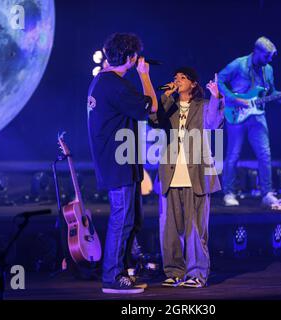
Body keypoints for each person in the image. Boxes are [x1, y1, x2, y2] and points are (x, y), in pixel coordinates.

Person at [87, 33, 157, 294]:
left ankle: (123, 270)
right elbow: (151, 107)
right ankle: (112, 276)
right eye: (135, 57)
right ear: (130, 58)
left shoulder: (101, 81)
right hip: (118, 163)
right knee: (122, 218)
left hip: (119, 161)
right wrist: (144, 75)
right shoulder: (116, 85)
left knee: (131, 218)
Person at [149, 67, 223, 288]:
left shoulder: (202, 106)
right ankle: (174, 271)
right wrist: (165, 95)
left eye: (183, 78)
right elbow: (153, 118)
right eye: (175, 78)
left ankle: (197, 274)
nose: (177, 80)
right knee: (169, 228)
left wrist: (216, 96)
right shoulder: (169, 106)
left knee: (195, 228)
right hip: (170, 174)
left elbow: (213, 123)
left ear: (193, 84)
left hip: (197, 175)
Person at [217, 36, 281, 207]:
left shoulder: (268, 70)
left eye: (271, 57)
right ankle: (229, 192)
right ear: (257, 51)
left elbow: (271, 93)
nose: (269, 60)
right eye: (267, 56)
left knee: (265, 154)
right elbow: (219, 81)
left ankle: (267, 193)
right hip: (236, 113)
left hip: (258, 115)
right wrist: (235, 99)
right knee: (233, 154)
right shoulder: (238, 64)